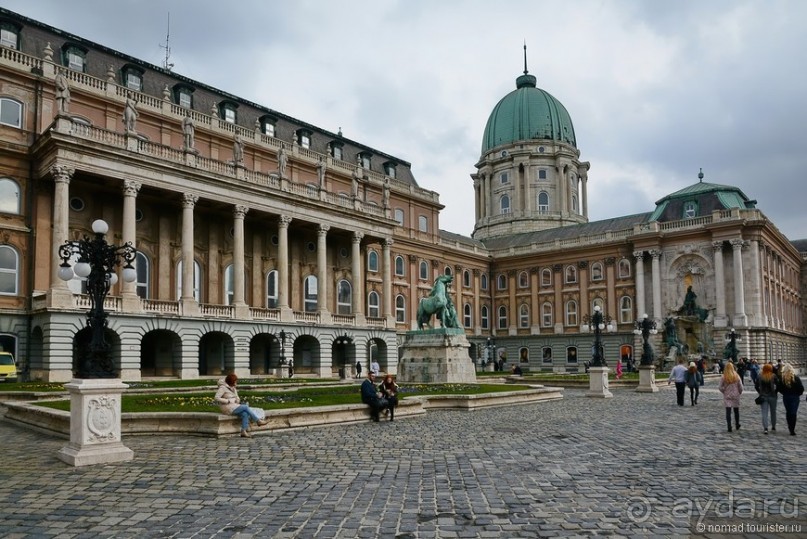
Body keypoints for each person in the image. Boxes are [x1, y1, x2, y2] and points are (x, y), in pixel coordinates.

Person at [214, 373, 267, 438]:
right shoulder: (223, 388)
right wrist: (228, 401)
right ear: (231, 381)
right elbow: (216, 398)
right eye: (235, 381)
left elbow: (237, 397)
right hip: (226, 407)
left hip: (234, 406)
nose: (236, 382)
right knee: (245, 407)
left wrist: (237, 399)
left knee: (245, 414)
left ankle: (243, 431)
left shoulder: (233, 387)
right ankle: (258, 421)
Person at [777, 363, 804, 435]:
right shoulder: (796, 378)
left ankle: (790, 426)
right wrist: (798, 394)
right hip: (795, 397)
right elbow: (801, 388)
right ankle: (792, 429)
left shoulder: (782, 379)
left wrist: (784, 393)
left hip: (786, 397)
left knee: (788, 412)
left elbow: (779, 388)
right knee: (793, 413)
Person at [719, 362, 743, 432]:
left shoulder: (724, 376)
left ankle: (729, 426)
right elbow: (740, 386)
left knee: (728, 411)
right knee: (736, 410)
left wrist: (724, 391)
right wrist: (739, 392)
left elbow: (720, 387)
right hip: (736, 395)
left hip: (727, 395)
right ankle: (737, 424)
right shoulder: (737, 376)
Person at [755, 363, 778, 434]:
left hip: (763, 396)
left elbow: (756, 386)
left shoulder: (760, 376)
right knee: (773, 412)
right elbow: (778, 385)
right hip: (772, 396)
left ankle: (765, 428)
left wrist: (760, 392)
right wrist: (775, 392)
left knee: (764, 412)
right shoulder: (773, 376)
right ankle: (773, 426)